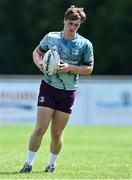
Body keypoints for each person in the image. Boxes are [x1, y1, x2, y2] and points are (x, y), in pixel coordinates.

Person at [19, 5, 94, 173]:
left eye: (76, 25)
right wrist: (40, 64)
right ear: (64, 21)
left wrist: (69, 67)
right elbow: (36, 53)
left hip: (68, 92)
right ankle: (28, 164)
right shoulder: (51, 38)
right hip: (49, 87)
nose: (72, 28)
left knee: (57, 132)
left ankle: (51, 165)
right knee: (40, 128)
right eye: (70, 24)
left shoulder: (84, 44)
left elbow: (89, 69)